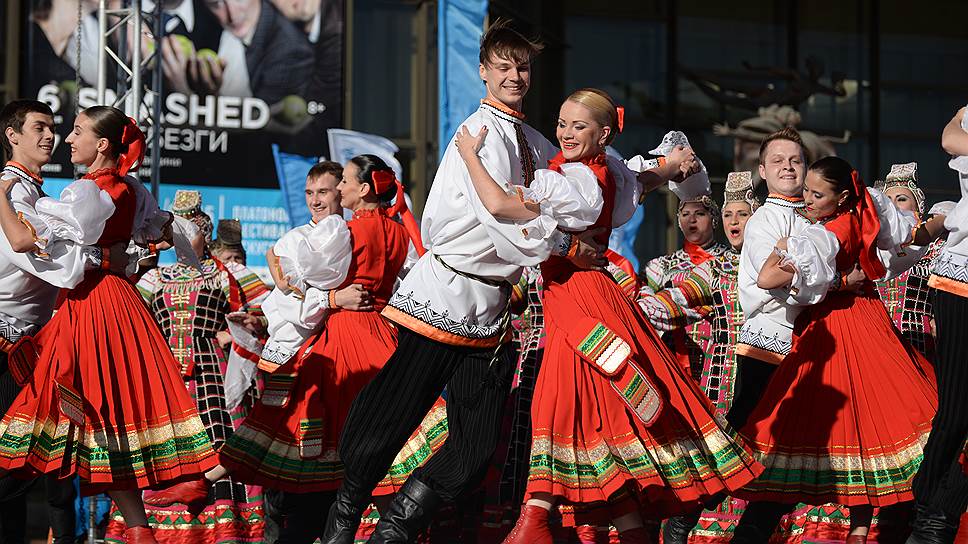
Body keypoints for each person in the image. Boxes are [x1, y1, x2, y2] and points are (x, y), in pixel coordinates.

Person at [321, 21, 611, 544]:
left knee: (474, 446)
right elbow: (502, 213)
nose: (515, 76)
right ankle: (343, 517)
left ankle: (394, 532)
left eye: (522, 66)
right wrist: (566, 246)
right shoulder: (478, 134)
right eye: (504, 67)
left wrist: (655, 168)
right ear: (482, 72)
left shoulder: (534, 139)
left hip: (492, 309)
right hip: (446, 290)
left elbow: (585, 170)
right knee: (393, 413)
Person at [455, 88, 761, 544]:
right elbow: (643, 179)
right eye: (562, 123)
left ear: (602, 134)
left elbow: (499, 206)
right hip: (586, 294)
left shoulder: (571, 180)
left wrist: (469, 157)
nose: (565, 133)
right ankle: (613, 525)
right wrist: (672, 165)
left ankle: (535, 517)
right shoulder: (608, 172)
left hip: (578, 297)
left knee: (564, 403)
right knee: (591, 409)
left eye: (578, 126)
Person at [0, 105, 217, 544]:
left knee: (76, 413)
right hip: (93, 306)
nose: (60, 138)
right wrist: (117, 258)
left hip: (87, 307)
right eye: (42, 128)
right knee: (102, 411)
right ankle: (148, 514)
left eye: (69, 130)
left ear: (101, 144)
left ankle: (164, 493)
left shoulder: (81, 191)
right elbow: (162, 237)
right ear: (12, 135)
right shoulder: (128, 188)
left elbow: (44, 246)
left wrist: (111, 258)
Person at [746, 156, 945, 543]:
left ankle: (756, 532)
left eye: (817, 194)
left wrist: (787, 248)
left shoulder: (821, 236)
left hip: (835, 330)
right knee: (873, 425)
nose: (806, 199)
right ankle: (864, 528)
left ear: (839, 197)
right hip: (870, 319)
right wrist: (946, 220)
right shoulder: (865, 211)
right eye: (806, 190)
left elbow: (767, 277)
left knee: (807, 429)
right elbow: (914, 233)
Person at [108, 191, 270, 544]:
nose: (181, 238)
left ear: (203, 232)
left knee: (219, 442)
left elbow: (266, 311)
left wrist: (237, 330)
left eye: (189, 230)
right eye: (176, 232)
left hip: (213, 375)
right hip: (165, 379)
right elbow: (131, 316)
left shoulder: (228, 273)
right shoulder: (156, 278)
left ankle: (222, 528)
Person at [906, 104, 968, 543]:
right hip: (963, 278)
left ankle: (937, 516)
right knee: (957, 406)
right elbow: (951, 139)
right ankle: (928, 513)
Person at [639, 132, 729, 380]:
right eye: (685, 214)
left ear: (713, 219)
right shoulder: (659, 267)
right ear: (677, 221)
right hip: (670, 359)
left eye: (699, 214)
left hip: (716, 358)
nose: (691, 219)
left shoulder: (727, 263)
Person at [874, 162, 948, 361]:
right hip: (876, 338)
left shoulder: (935, 248)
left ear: (918, 208)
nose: (893, 205)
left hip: (917, 338)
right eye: (887, 199)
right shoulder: (871, 247)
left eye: (901, 199)